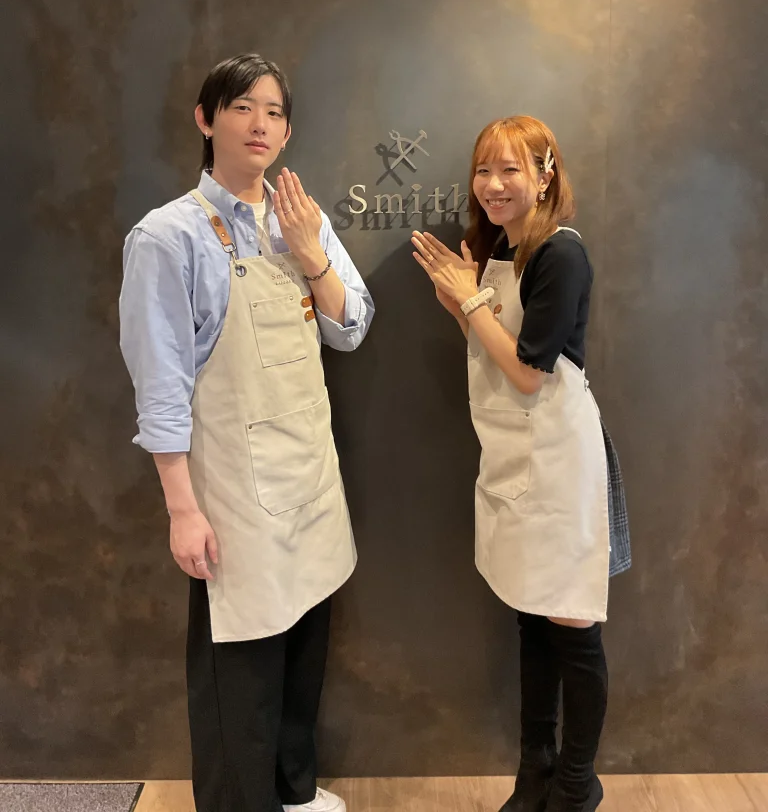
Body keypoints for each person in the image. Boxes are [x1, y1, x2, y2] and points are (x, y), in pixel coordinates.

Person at [120, 54, 374, 812]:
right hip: (234, 492)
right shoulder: (167, 237)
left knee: (305, 651)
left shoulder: (302, 218)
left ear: (287, 132)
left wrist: (312, 255)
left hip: (309, 478)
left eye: (274, 111)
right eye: (241, 107)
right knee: (243, 672)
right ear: (206, 120)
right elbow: (160, 388)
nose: (259, 123)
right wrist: (182, 508)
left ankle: (295, 792)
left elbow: (352, 328)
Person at [411, 116, 630, 812]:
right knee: (531, 618)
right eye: (484, 170)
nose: (494, 184)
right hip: (510, 453)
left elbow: (530, 373)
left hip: (558, 461)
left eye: (511, 169)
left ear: (545, 174)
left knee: (571, 625)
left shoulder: (561, 253)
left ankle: (577, 783)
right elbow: (491, 346)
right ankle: (535, 772)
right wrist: (459, 303)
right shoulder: (500, 248)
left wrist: (470, 298)